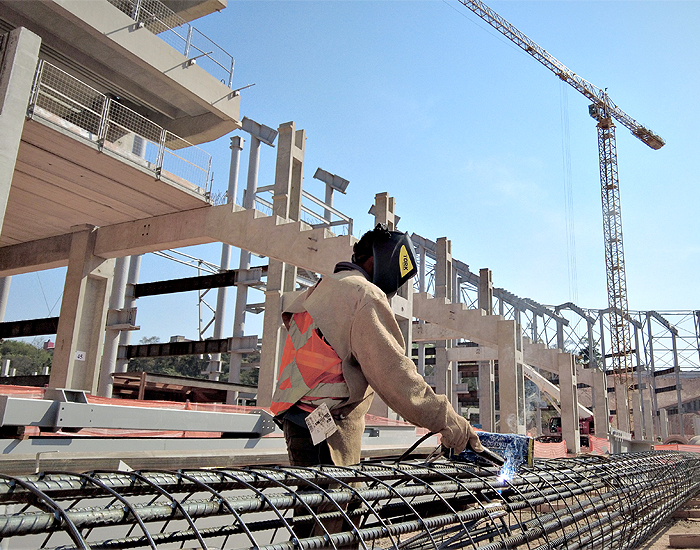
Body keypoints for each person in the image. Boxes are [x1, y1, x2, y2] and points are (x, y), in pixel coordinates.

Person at [271, 223, 483, 467]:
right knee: (332, 502)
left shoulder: (322, 288)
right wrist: (449, 421)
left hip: (299, 420)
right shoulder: (363, 294)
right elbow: (394, 375)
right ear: (380, 261)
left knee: (319, 500)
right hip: (326, 428)